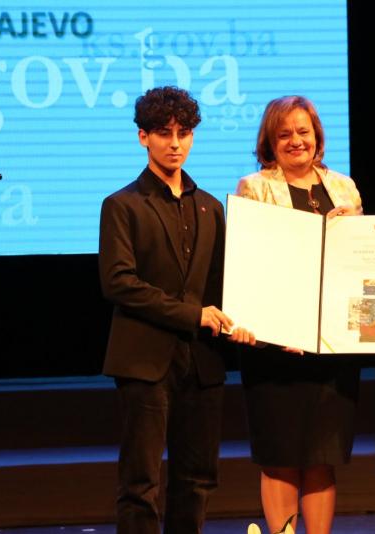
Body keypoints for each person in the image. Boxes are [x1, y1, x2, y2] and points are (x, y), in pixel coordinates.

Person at [99, 85, 254, 534]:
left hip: (202, 360)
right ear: (143, 137)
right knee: (141, 481)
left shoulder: (210, 207)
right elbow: (119, 283)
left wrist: (250, 322)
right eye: (164, 133)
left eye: (183, 133)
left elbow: (225, 285)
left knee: (197, 478)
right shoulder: (122, 205)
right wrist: (193, 314)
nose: (175, 143)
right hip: (144, 360)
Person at [235, 95, 363, 534]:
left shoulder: (344, 187)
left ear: (317, 136)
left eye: (303, 131)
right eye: (284, 133)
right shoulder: (254, 187)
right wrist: (280, 329)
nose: (296, 141)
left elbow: (358, 265)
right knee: (281, 457)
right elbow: (250, 265)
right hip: (276, 349)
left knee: (322, 457)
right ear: (270, 142)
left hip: (332, 346)